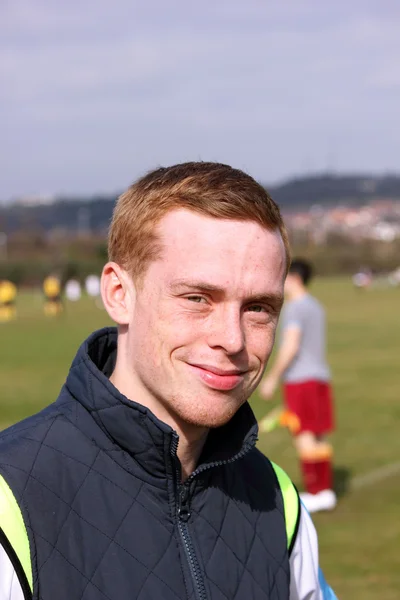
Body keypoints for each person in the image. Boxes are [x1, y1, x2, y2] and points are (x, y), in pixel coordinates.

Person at [0, 163, 337, 599]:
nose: (231, 340)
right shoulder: (13, 498)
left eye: (257, 308)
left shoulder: (278, 500)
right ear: (119, 294)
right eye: (197, 298)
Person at [260, 259, 337, 514]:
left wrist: (271, 378)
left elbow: (291, 346)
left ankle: (315, 492)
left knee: (303, 435)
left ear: (293, 278)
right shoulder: (316, 306)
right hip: (320, 378)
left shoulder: (294, 309)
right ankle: (325, 490)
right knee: (318, 435)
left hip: (300, 381)